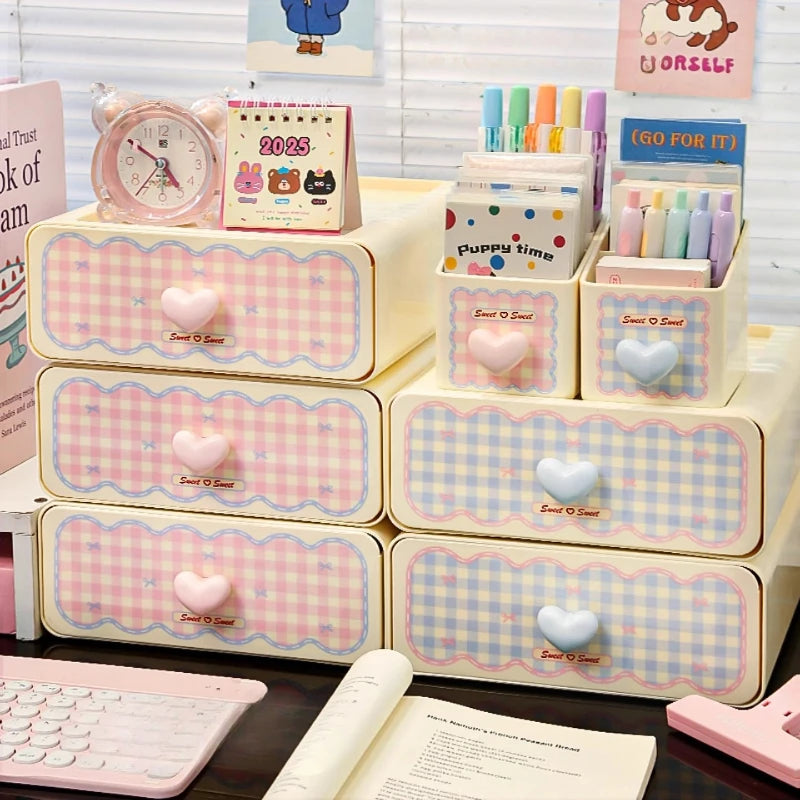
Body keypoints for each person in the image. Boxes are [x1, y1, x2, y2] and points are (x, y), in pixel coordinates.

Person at [281, 0, 350, 56]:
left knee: (318, 30)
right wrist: (291, 7)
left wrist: (327, 9)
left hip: (321, 12)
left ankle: (316, 44)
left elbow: (339, 2)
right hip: (300, 11)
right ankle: (304, 43)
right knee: (302, 28)